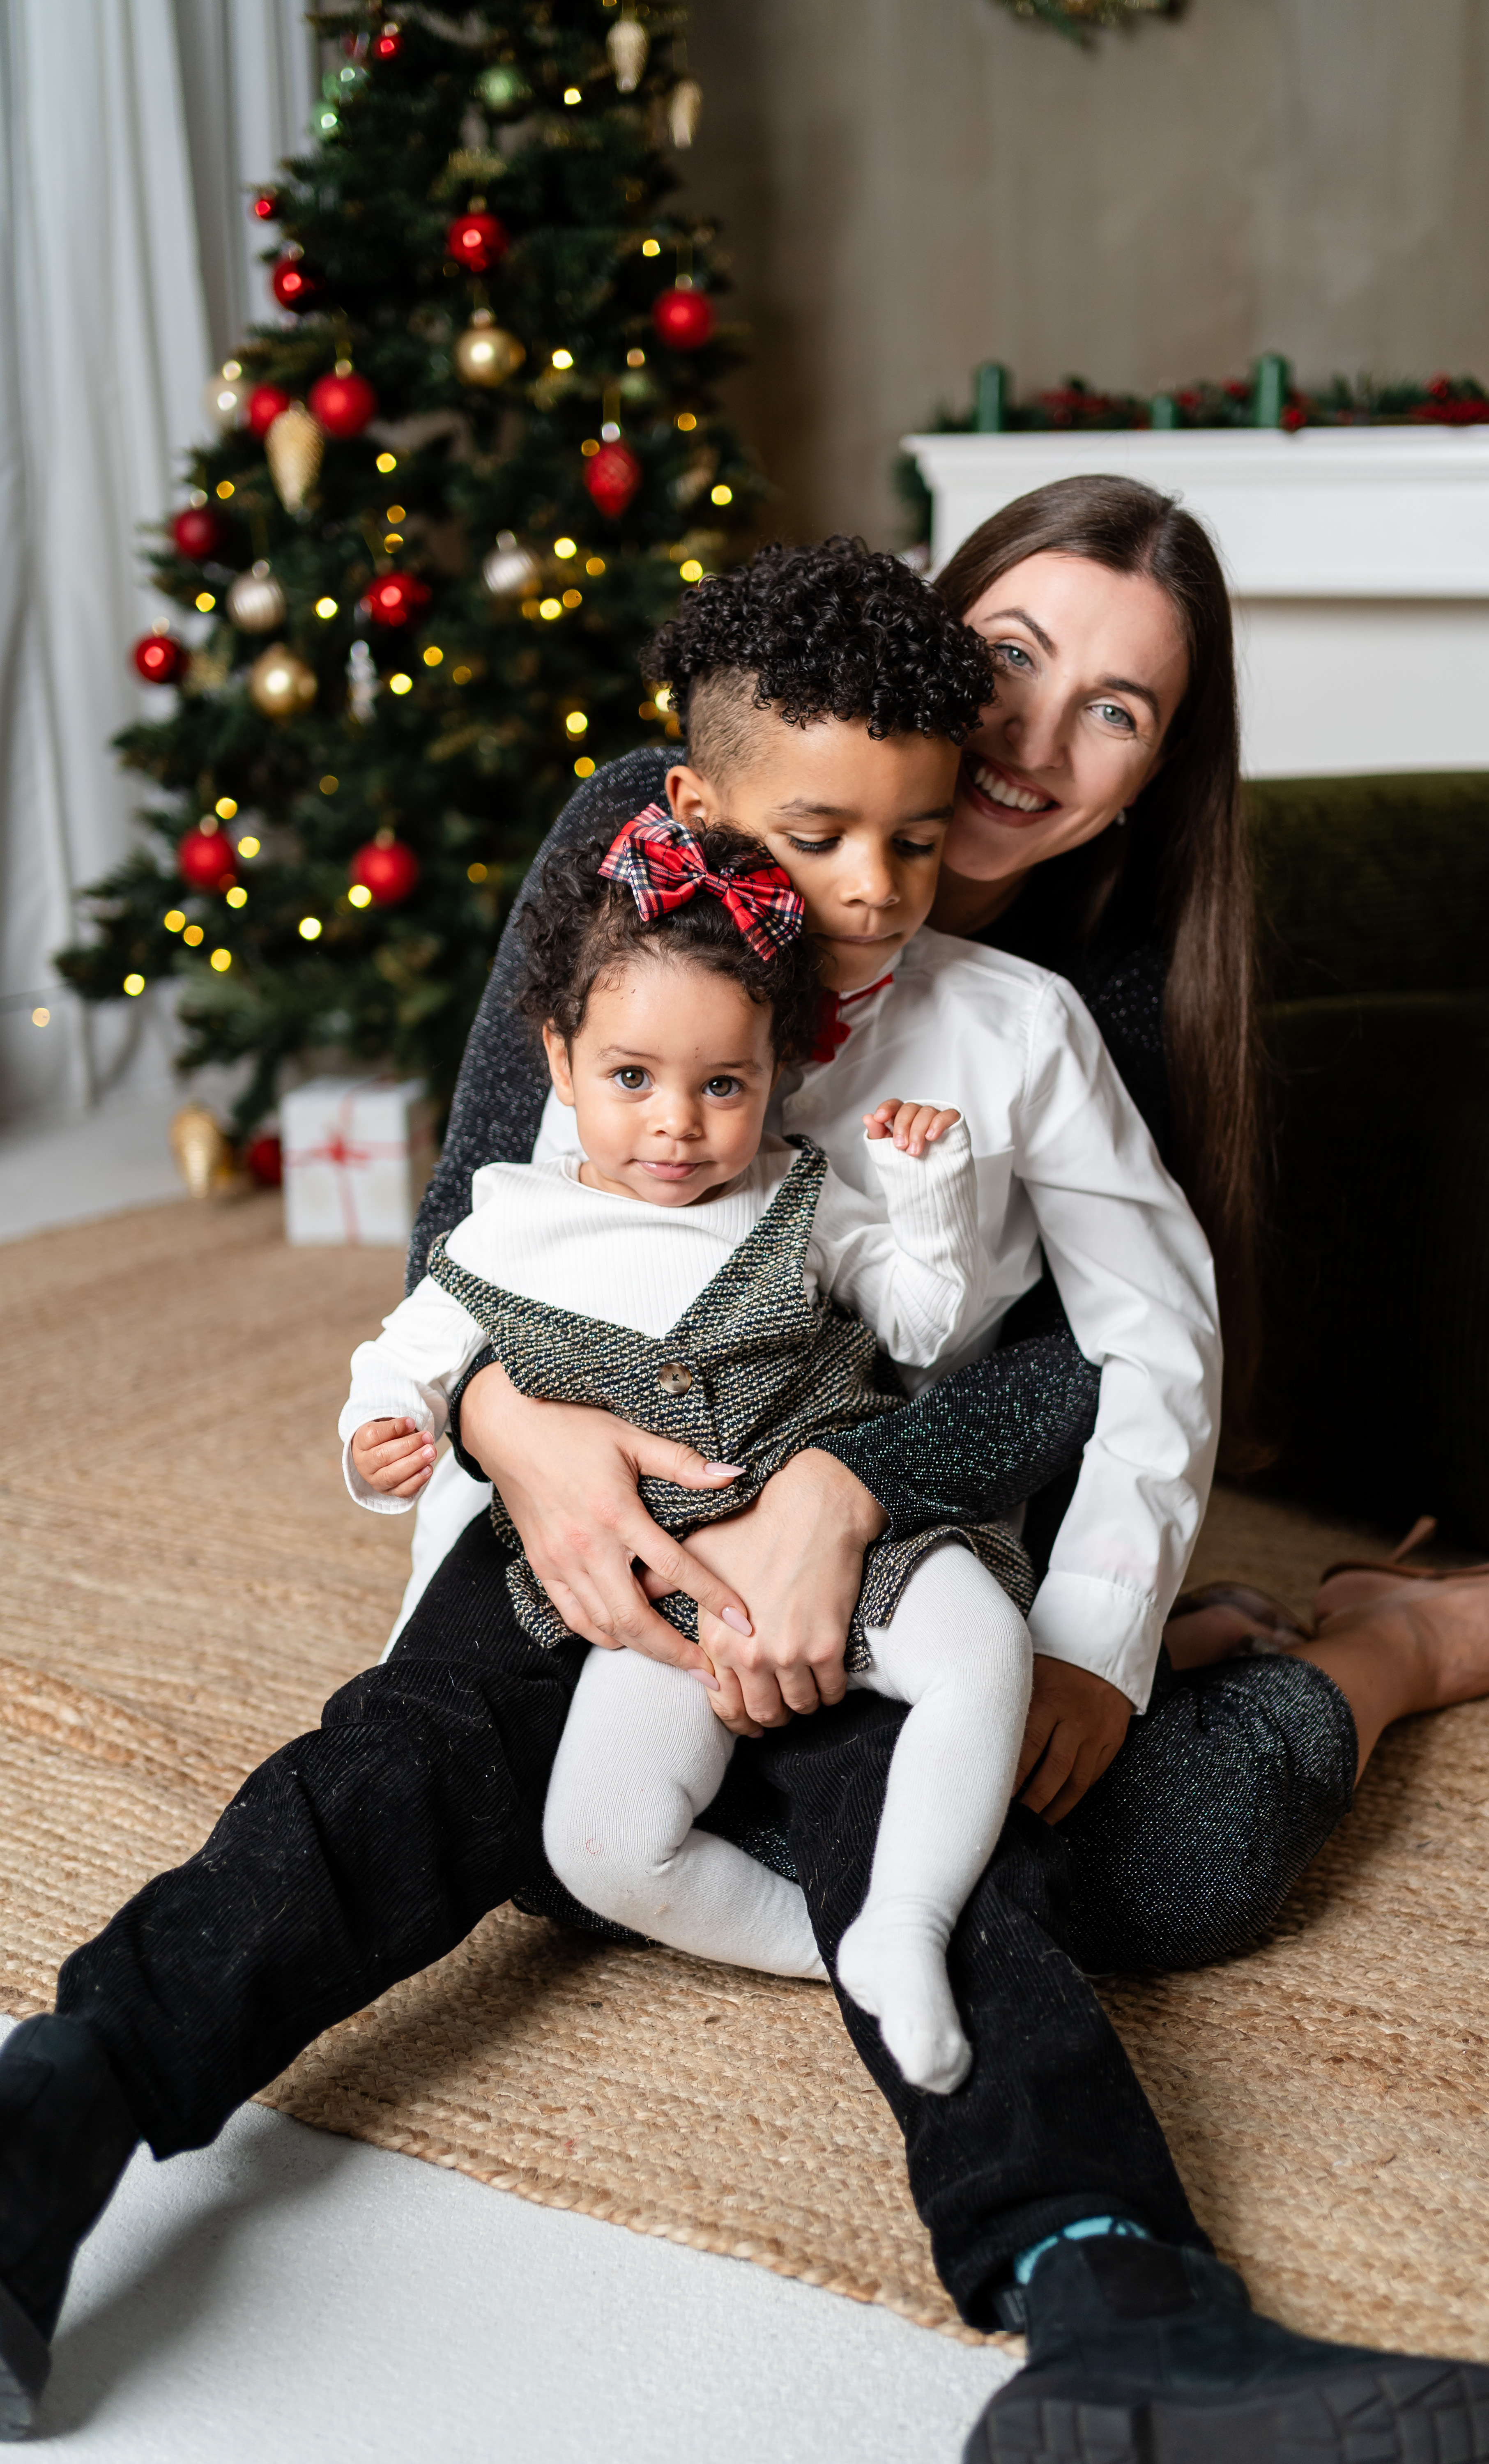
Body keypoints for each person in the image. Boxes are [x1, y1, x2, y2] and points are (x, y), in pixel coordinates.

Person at [0, 530, 1489, 2459]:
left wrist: (1051, 1617)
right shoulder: (631, 890)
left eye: (1119, 709)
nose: (1027, 742)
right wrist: (510, 1426)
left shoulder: (1030, 1021)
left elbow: (1132, 1341)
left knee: (993, 1870)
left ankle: (1117, 2303)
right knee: (388, 1779)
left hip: (869, 1559)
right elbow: (476, 1241)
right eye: (1013, 658)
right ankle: (52, 2129)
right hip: (576, 1533)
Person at [343, 804, 1043, 2093]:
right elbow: (406, 1353)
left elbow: (924, 1326)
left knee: (988, 1651)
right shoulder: (512, 1229)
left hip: (844, 1536)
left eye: (722, 1085)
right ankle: (837, 1950)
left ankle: (911, 1915)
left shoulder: (798, 1191)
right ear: (559, 1062)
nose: (677, 1125)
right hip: (668, 1598)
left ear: (774, 1072)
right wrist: (385, 1428)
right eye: (632, 1080)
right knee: (597, 1845)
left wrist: (929, 1197)